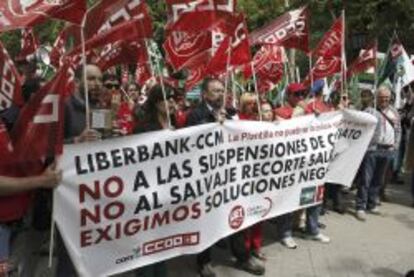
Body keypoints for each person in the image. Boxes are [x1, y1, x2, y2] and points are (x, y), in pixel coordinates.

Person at [57, 64, 104, 277]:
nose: (97, 84)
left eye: (100, 79)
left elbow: (105, 140)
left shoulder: (101, 108)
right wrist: (76, 141)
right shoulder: (64, 108)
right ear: (76, 82)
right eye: (92, 79)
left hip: (96, 193)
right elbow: (48, 149)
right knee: (70, 258)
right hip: (70, 198)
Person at [274, 83, 330, 246]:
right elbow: (286, 132)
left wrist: (318, 118)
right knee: (289, 198)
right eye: (296, 94)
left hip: (310, 163)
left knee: (314, 196)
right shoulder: (279, 112)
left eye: (303, 94)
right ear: (288, 96)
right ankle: (285, 232)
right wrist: (300, 113)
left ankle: (312, 230)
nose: (300, 98)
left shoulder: (312, 112)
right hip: (290, 164)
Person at [186, 77, 232, 277]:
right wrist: (214, 122)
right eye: (215, 91)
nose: (220, 94)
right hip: (204, 175)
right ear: (204, 94)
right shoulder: (195, 114)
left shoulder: (228, 112)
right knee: (205, 218)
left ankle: (238, 252)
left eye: (221, 90)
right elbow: (193, 136)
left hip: (223, 172)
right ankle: (203, 261)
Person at [133, 84, 176, 277]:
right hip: (149, 193)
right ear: (157, 103)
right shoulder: (144, 127)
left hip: (169, 192)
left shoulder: (175, 123)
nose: (174, 103)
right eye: (169, 99)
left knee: (164, 241)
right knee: (148, 243)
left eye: (175, 99)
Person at [355, 89, 382, 221]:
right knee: (357, 178)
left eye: (367, 97)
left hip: (369, 150)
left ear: (371, 99)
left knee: (366, 179)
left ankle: (361, 206)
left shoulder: (376, 115)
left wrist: (364, 144)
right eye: (362, 96)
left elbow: (377, 135)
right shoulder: (358, 112)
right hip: (357, 150)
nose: (364, 99)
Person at [376, 86, 401, 203]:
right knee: (373, 174)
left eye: (386, 97)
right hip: (375, 147)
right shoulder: (373, 110)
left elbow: (398, 129)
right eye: (382, 97)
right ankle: (373, 196)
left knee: (386, 173)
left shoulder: (394, 112)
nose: (384, 100)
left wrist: (396, 145)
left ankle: (382, 192)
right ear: (377, 98)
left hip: (389, 148)